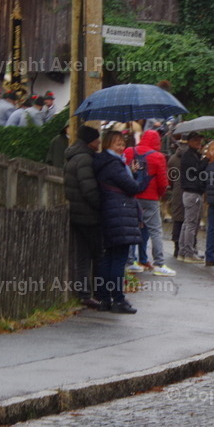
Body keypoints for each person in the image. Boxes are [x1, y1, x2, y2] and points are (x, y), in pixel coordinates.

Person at [92, 128, 150, 313]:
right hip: (119, 214)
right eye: (117, 143)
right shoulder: (114, 164)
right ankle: (118, 299)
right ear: (108, 143)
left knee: (108, 258)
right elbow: (133, 187)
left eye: (123, 143)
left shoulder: (105, 162)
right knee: (118, 259)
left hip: (110, 214)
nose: (121, 147)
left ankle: (103, 299)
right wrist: (139, 175)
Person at [63, 125, 103, 308]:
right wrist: (101, 205)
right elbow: (89, 190)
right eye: (97, 140)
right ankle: (97, 292)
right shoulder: (85, 159)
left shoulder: (72, 156)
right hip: (88, 215)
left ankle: (83, 293)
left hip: (76, 213)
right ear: (90, 141)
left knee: (82, 256)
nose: (99, 143)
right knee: (96, 254)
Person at [125, 130, 175, 277]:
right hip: (150, 198)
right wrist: (159, 195)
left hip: (131, 196)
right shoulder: (158, 156)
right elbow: (162, 181)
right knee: (155, 230)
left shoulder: (129, 151)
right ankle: (159, 263)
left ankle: (130, 262)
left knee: (131, 228)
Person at [177, 132, 207, 262]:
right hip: (192, 192)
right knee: (191, 224)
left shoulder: (193, 155)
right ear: (189, 141)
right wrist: (206, 159)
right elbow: (197, 170)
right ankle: (188, 253)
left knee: (187, 223)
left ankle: (183, 251)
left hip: (191, 191)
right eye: (195, 140)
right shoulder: (188, 156)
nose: (198, 143)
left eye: (200, 140)